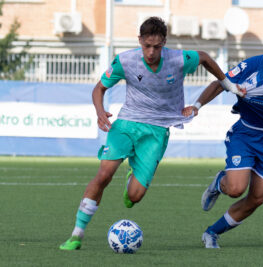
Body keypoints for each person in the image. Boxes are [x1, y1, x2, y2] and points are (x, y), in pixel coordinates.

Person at [59, 16, 243, 250]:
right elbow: (99, 88)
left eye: (157, 46)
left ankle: (131, 180)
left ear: (164, 43)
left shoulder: (178, 59)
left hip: (157, 131)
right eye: (147, 46)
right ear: (140, 41)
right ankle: (77, 234)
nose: (151, 52)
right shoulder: (125, 61)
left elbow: (205, 58)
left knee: (134, 197)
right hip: (126, 123)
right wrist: (99, 112)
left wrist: (227, 84)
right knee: (104, 175)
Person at [183, 18, 263, 248]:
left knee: (256, 199)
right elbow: (220, 82)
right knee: (235, 189)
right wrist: (197, 106)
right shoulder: (254, 63)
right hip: (246, 134)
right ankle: (220, 182)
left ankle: (212, 232)